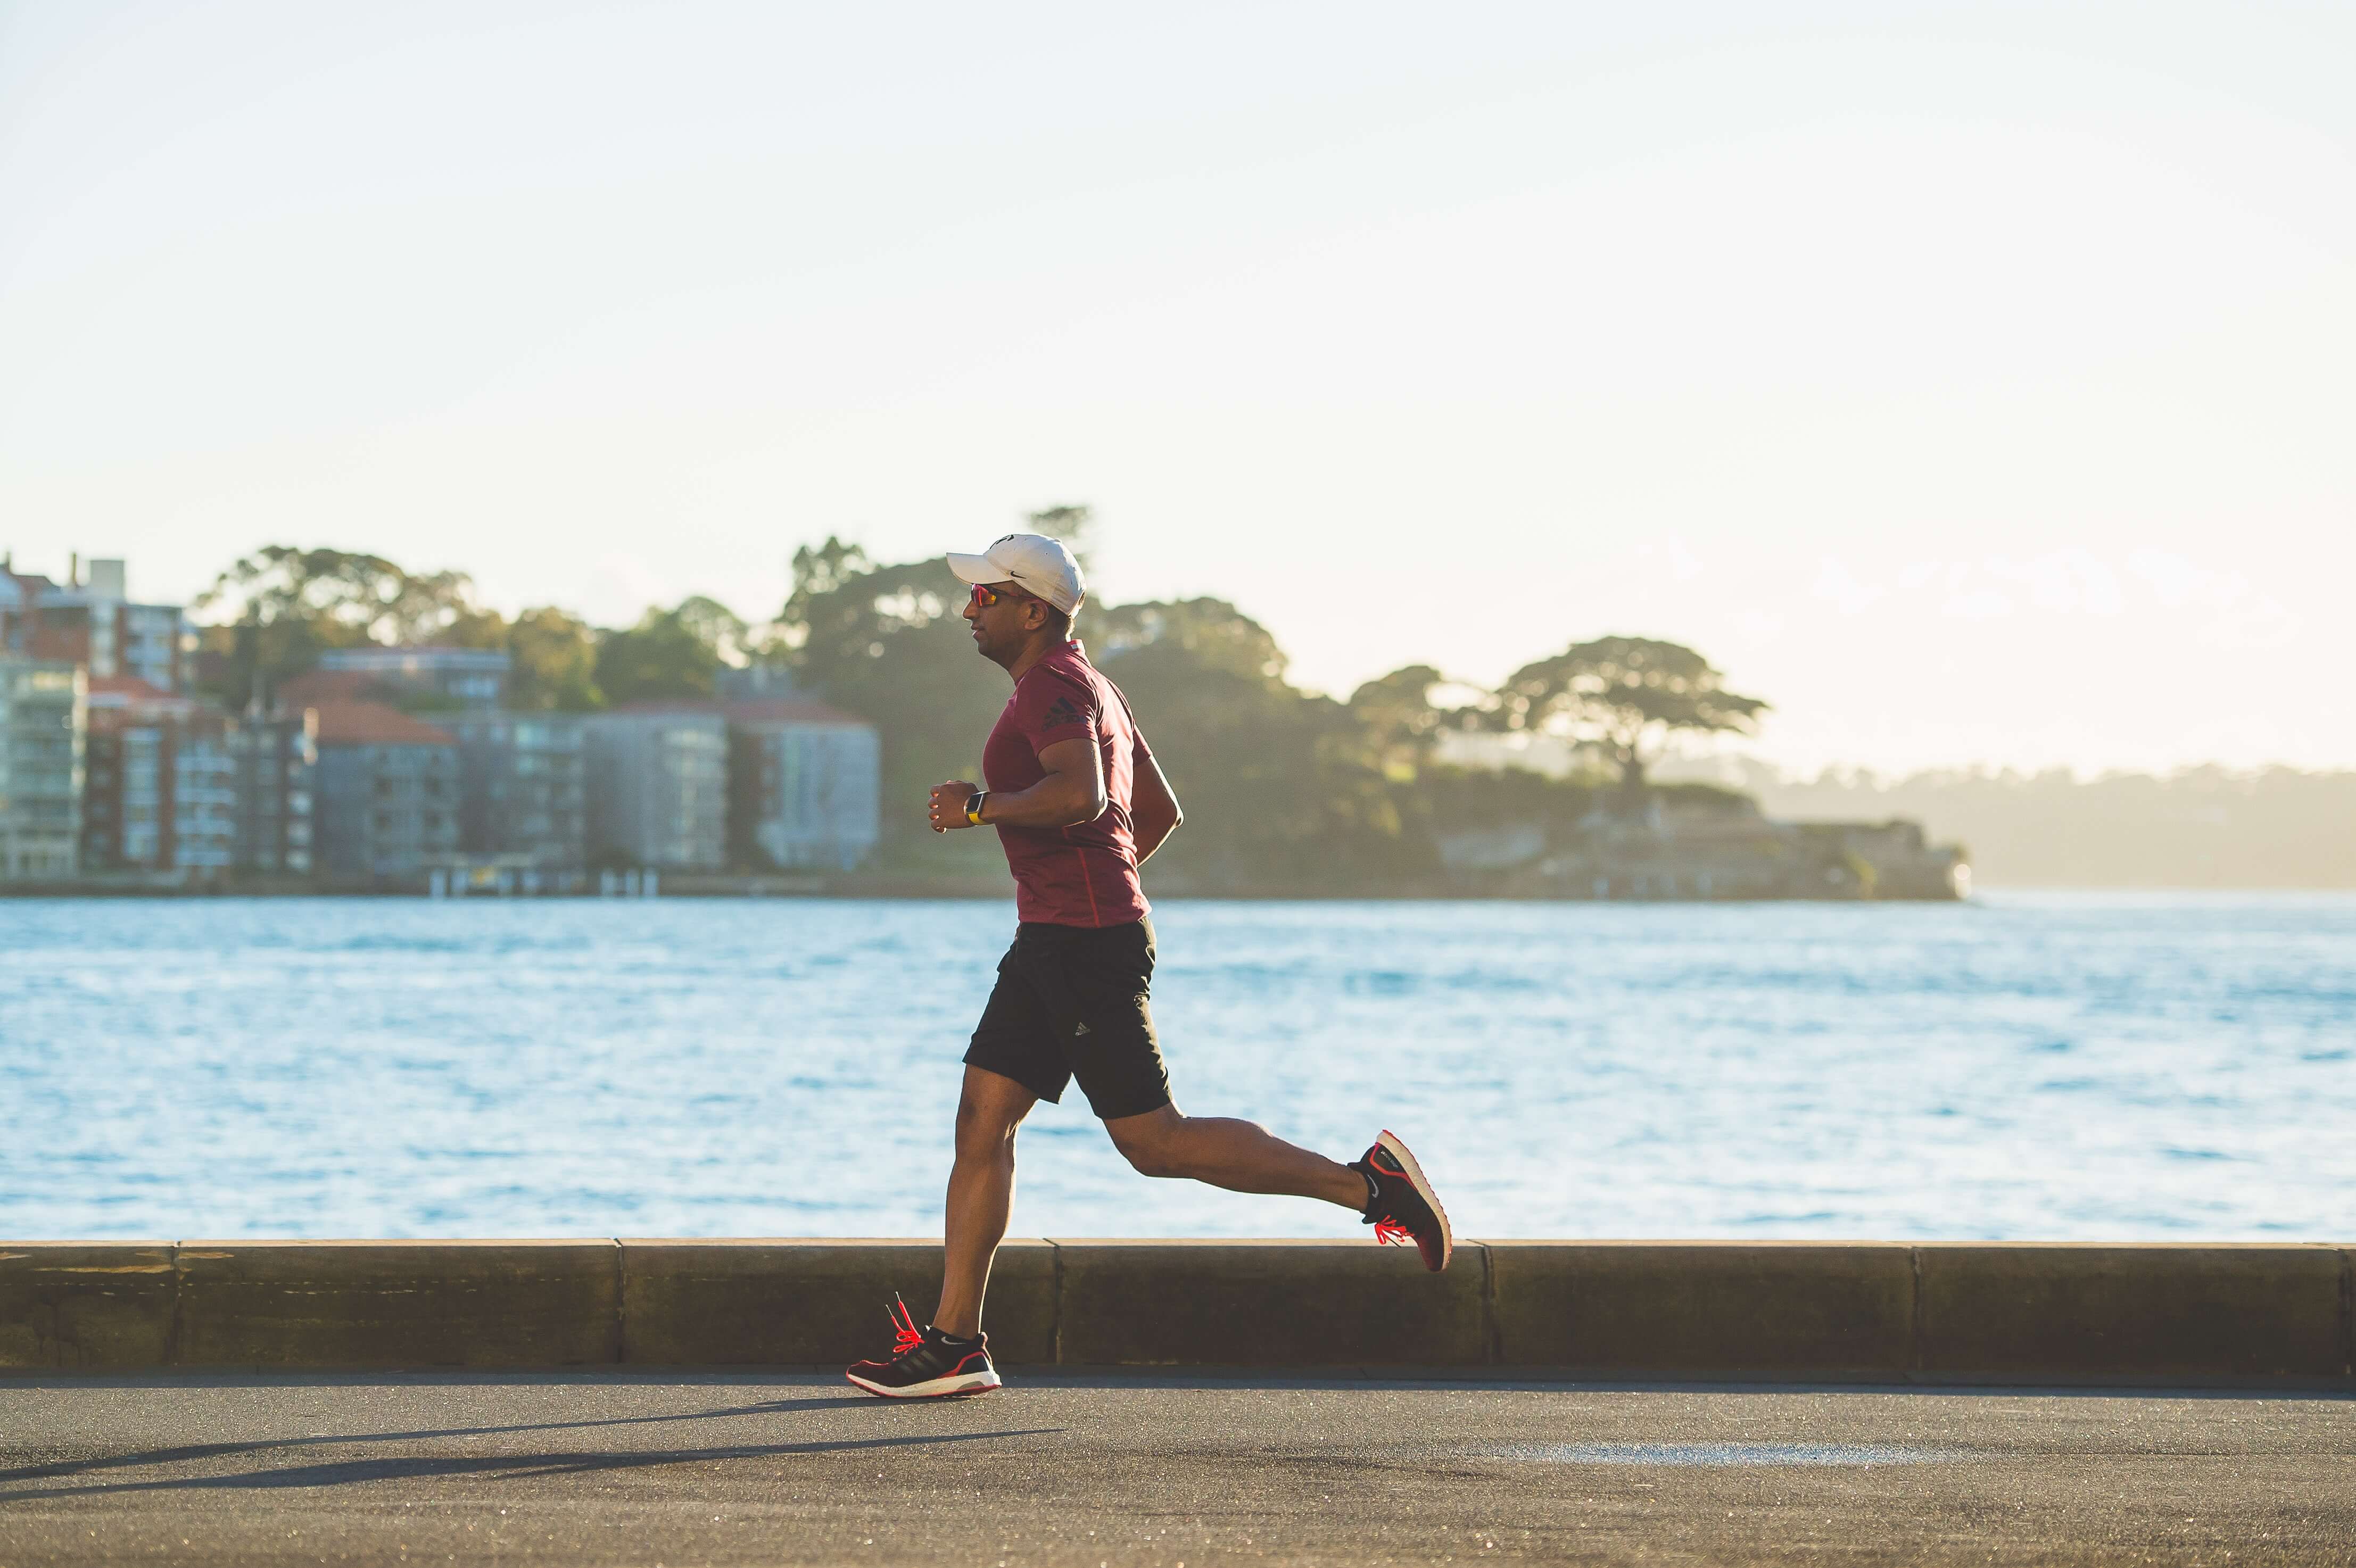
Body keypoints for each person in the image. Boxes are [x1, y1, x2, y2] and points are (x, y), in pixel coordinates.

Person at [846, 532, 1451, 1399]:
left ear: (1032, 609)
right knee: (983, 1121)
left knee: (1154, 1143)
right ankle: (956, 1344)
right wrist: (1095, 882)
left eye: (986, 597)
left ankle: (1371, 1187)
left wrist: (982, 808)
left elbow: (1087, 797)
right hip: (1060, 939)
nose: (969, 610)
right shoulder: (1096, 688)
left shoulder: (1056, 686)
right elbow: (1156, 812)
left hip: (1081, 946)